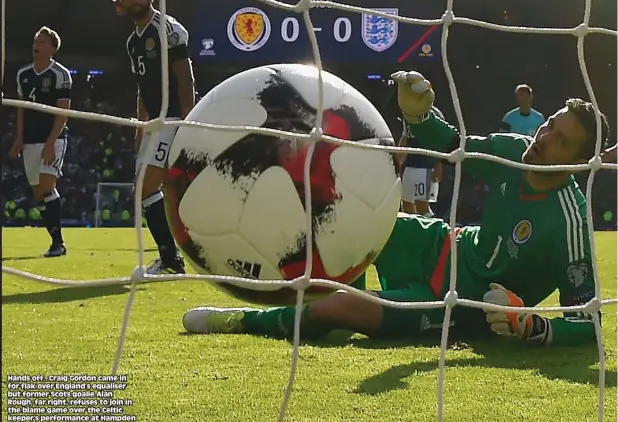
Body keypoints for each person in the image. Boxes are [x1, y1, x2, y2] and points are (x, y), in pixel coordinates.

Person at [182, 70, 610, 348]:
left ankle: (243, 320)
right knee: (342, 221)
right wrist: (420, 116)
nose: (545, 137)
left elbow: (588, 324)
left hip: (453, 305)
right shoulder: (511, 150)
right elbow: (452, 146)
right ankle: (336, 298)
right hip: (439, 243)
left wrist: (533, 325)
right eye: (550, 124)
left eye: (561, 141)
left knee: (340, 309)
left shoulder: (569, 223)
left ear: (577, 161)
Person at [113, 0, 195, 274]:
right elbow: (143, 88)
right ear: (121, 0)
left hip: (172, 119)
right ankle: (171, 259)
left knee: (146, 190)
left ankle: (172, 259)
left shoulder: (168, 29)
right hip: (154, 123)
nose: (135, 0)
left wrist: (187, 121)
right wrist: (141, 124)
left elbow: (184, 78)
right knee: (145, 192)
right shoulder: (134, 42)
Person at [9, 27, 72, 257]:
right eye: (36, 40)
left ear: (52, 49)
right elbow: (22, 109)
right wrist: (19, 137)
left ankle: (58, 243)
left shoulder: (60, 74)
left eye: (43, 42)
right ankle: (54, 240)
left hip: (53, 139)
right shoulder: (23, 74)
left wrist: (51, 141)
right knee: (38, 194)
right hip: (30, 140)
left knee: (47, 187)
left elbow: (63, 112)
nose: (37, 45)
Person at [398, 105, 444, 217]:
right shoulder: (408, 113)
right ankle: (413, 233)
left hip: (426, 166)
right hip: (410, 165)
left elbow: (441, 140)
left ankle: (436, 232)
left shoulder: (434, 114)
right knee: (406, 205)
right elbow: (405, 139)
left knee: (422, 206)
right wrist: (397, 163)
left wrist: (439, 165)